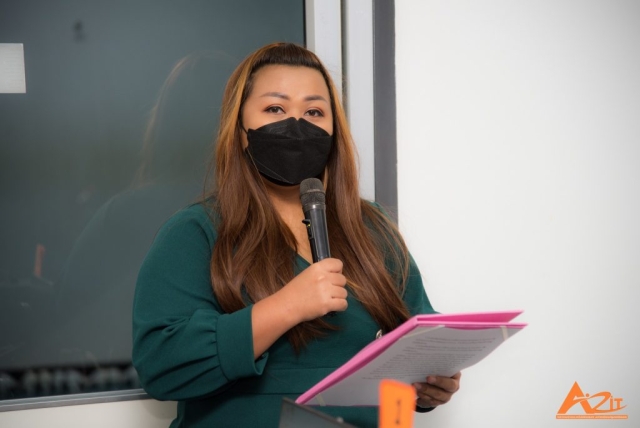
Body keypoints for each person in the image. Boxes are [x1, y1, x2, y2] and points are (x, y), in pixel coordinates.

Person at [132, 42, 461, 428]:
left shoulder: (373, 229)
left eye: (314, 112)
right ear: (239, 129)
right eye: (275, 108)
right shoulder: (195, 232)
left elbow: (418, 332)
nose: (296, 125)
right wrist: (288, 306)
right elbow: (161, 365)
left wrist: (433, 381)